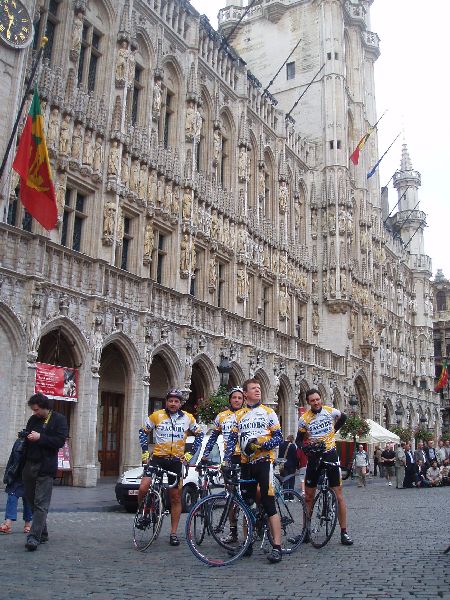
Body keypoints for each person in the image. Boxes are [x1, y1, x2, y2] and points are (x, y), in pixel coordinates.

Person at [224, 378, 284, 563]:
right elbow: (232, 440)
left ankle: (277, 547)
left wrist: (261, 445)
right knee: (247, 504)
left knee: (269, 503)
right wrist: (227, 461)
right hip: (245, 464)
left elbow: (279, 438)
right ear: (245, 393)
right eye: (253, 389)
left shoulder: (268, 412)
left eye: (259, 388)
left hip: (264, 461)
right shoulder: (238, 415)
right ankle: (247, 544)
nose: (258, 391)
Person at [138, 389, 203, 546]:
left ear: (180, 403)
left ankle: (173, 533)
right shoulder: (157, 415)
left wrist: (189, 455)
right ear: (166, 402)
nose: (173, 404)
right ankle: (143, 513)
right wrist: (145, 453)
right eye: (170, 401)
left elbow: (200, 435)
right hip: (158, 458)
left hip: (176, 461)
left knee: (175, 497)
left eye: (176, 401)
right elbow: (143, 431)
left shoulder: (188, 418)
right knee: (143, 487)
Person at [296, 389, 353, 546]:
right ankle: (305, 531)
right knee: (308, 496)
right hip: (315, 458)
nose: (316, 402)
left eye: (318, 399)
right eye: (312, 400)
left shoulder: (330, 411)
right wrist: (306, 448)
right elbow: (298, 440)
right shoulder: (304, 419)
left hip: (330, 454)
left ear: (321, 399)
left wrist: (333, 431)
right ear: (308, 402)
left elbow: (344, 417)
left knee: (339, 495)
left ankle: (344, 532)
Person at [21, 393, 68, 551]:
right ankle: (43, 532)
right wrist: (25, 436)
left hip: (45, 467)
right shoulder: (33, 420)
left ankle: (34, 537)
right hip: (29, 465)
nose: (35, 413)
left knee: (41, 503)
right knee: (31, 500)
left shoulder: (59, 419)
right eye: (33, 410)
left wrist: (40, 437)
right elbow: (28, 437)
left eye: (37, 410)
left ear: (45, 407)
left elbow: (59, 441)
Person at [202, 386, 245, 543]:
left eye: (240, 398)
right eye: (234, 397)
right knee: (230, 497)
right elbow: (213, 438)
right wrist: (205, 455)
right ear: (230, 399)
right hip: (229, 459)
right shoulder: (221, 416)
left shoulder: (248, 415)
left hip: (245, 458)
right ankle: (233, 532)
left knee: (249, 495)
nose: (237, 400)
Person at [1, 432, 32, 535]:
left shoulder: (35, 443)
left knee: (28, 500)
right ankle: (8, 524)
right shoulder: (18, 442)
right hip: (16, 475)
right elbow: (12, 459)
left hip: (29, 475)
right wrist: (7, 474)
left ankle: (28, 524)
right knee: (12, 496)